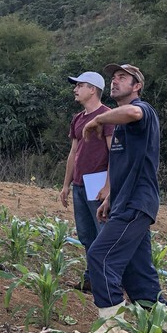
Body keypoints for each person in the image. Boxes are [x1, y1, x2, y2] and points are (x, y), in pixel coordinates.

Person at [75, 63, 163, 333]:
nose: (115, 81)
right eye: (113, 78)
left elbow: (134, 113)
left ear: (137, 86)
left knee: (100, 256)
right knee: (137, 272)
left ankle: (109, 331)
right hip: (125, 202)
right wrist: (110, 198)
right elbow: (121, 166)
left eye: (122, 78)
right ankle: (162, 330)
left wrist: (98, 120)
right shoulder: (123, 129)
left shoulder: (142, 111)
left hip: (137, 202)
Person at [59, 71, 115, 293]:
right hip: (80, 183)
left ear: (93, 89)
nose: (75, 89)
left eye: (80, 85)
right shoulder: (78, 118)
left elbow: (114, 154)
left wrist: (108, 186)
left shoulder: (108, 116)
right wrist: (66, 185)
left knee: (103, 233)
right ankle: (91, 279)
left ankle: (108, 282)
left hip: (97, 182)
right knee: (86, 234)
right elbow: (73, 153)